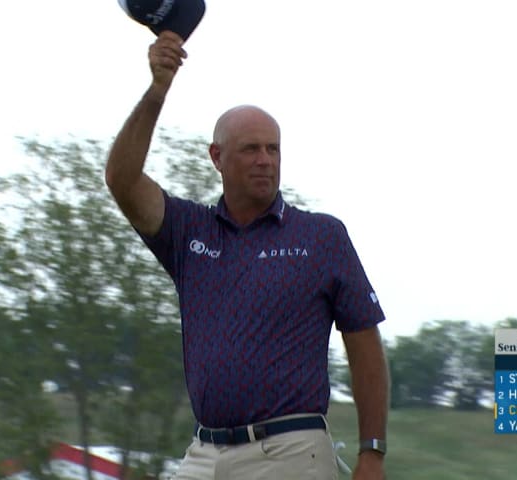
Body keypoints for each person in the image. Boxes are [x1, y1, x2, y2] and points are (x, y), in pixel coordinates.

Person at [105, 30, 390, 480]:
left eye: (273, 149)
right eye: (251, 149)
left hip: (290, 452)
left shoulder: (321, 236)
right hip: (204, 453)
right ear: (217, 157)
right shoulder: (189, 231)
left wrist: (371, 453)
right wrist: (158, 89)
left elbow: (365, 345)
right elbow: (122, 179)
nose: (265, 160)